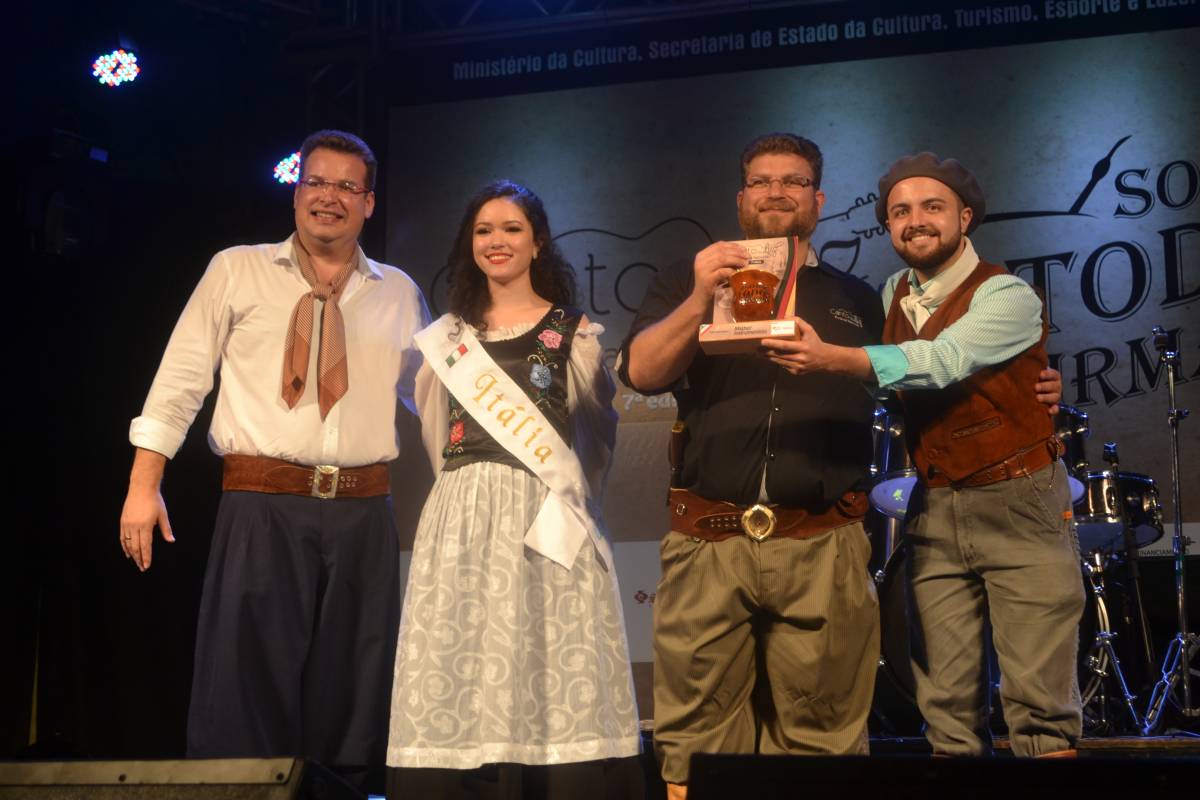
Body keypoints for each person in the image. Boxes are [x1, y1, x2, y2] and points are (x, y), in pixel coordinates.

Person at [119, 130, 429, 784]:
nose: (329, 198)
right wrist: (143, 486)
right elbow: (180, 380)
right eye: (316, 182)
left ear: (369, 203)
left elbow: (433, 399)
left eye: (347, 186)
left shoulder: (398, 292)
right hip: (261, 503)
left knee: (353, 694)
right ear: (296, 193)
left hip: (363, 513)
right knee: (242, 692)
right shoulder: (238, 269)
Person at [772, 151, 1083, 757]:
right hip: (935, 501)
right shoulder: (892, 293)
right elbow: (887, 383)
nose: (915, 220)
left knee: (1040, 708)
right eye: (900, 212)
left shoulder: (1006, 293)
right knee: (944, 708)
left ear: (965, 218)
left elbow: (943, 360)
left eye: (932, 207)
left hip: (1019, 498)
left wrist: (832, 357)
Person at [618, 134, 884, 798]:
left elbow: (916, 375)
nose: (776, 192)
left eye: (793, 181)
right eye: (762, 181)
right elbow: (643, 372)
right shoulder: (686, 279)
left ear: (818, 200)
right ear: (740, 199)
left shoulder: (858, 297)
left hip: (822, 542)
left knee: (823, 740)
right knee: (695, 746)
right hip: (709, 542)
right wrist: (700, 296)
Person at [386, 181, 642, 800]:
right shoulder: (446, 340)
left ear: (538, 242)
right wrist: (472, 492)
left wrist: (564, 501)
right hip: (463, 516)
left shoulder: (573, 334)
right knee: (463, 653)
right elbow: (434, 434)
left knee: (550, 653)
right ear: (468, 244)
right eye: (483, 230)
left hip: (545, 514)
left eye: (511, 229)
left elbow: (596, 440)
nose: (496, 241)